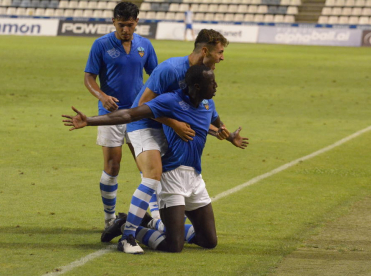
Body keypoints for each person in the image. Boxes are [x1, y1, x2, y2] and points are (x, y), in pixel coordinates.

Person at [63, 65, 248, 253]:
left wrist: (229, 136)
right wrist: (90, 121)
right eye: (211, 82)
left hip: (195, 179)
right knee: (173, 245)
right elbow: (130, 113)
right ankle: (124, 228)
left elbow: (211, 124)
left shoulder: (209, 104)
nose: (216, 85)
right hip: (172, 178)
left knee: (209, 241)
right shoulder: (170, 101)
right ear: (197, 86)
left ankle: (146, 222)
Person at [112, 29, 246, 254]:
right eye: (220, 52)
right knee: (154, 176)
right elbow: (140, 108)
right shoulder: (171, 69)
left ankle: (149, 223)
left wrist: (224, 133)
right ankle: (128, 234)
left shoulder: (202, 74)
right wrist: (173, 124)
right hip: (144, 124)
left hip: (166, 127)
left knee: (205, 237)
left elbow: (198, 115)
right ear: (205, 50)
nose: (222, 57)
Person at [83, 1, 158, 230]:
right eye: (121, 25)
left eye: (130, 25)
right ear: (113, 21)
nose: (125, 29)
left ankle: (157, 216)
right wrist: (101, 96)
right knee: (113, 165)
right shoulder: (101, 45)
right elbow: (89, 78)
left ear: (137, 23)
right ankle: (109, 218)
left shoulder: (145, 45)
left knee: (148, 167)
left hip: (138, 114)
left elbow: (155, 75)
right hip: (110, 114)